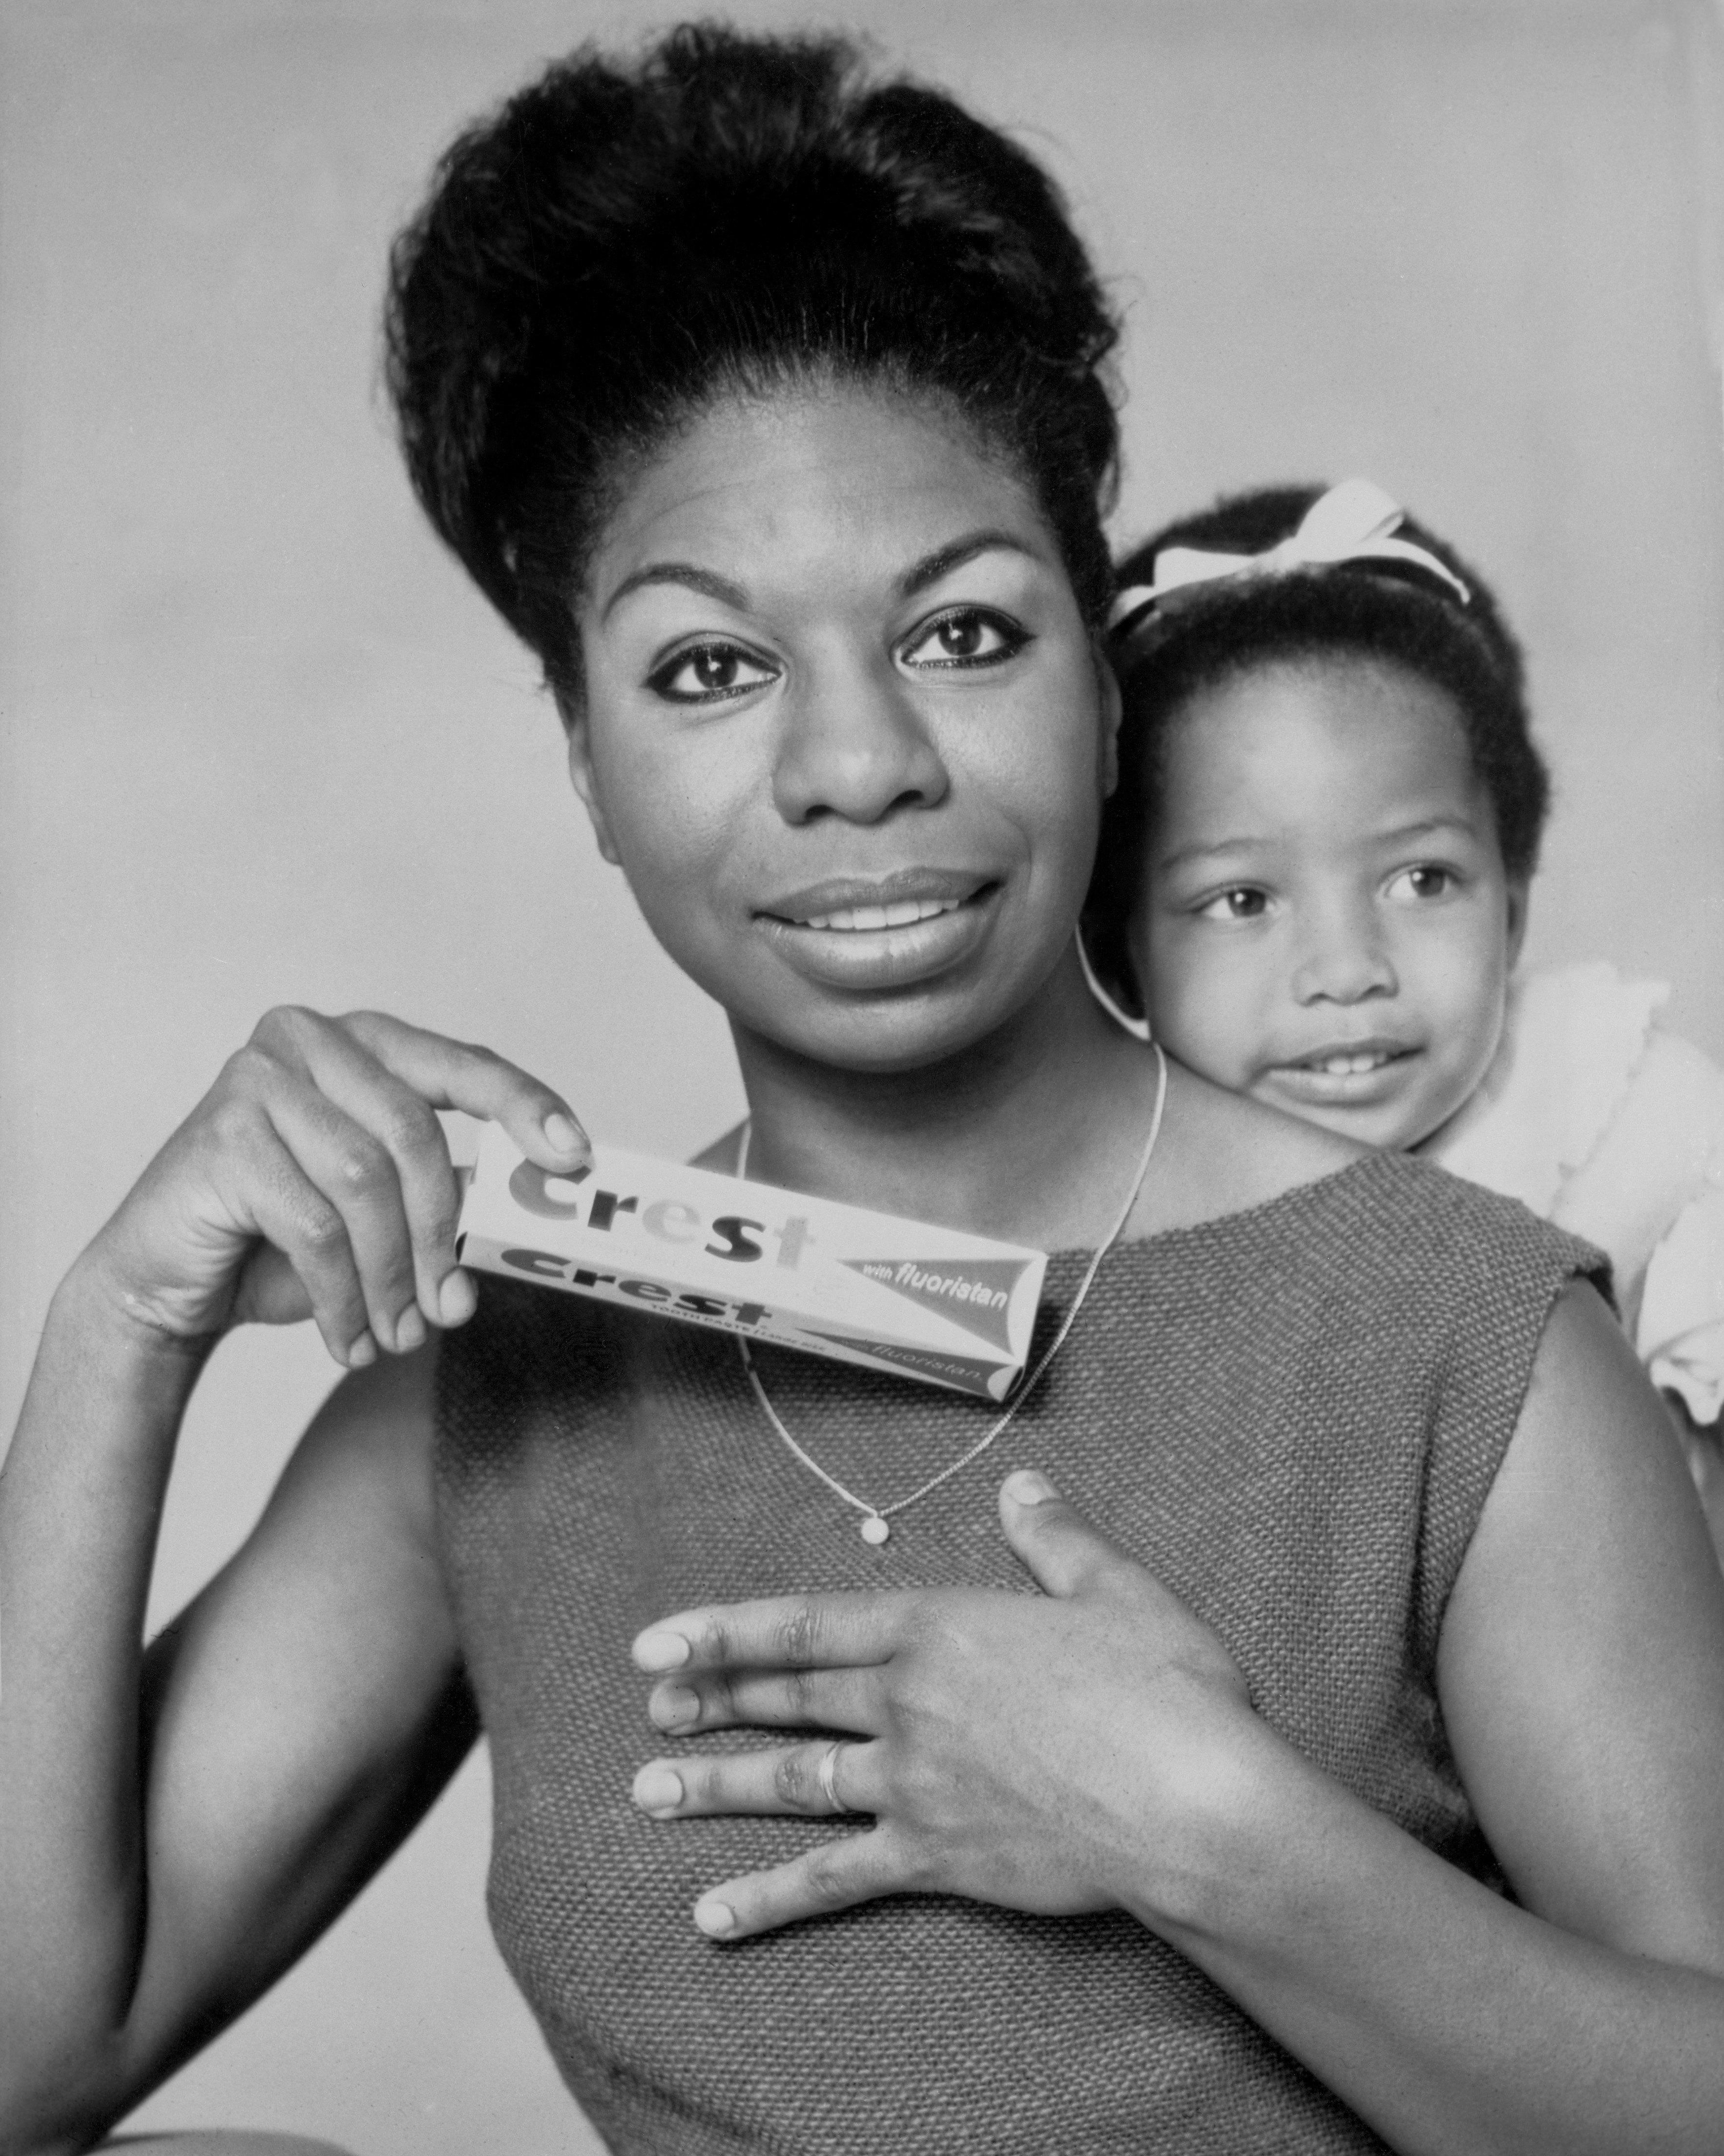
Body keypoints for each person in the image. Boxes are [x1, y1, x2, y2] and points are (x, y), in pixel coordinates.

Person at [2, 27, 1723, 2156]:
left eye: (963, 635)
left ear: (1104, 686)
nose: (855, 766)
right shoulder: (511, 1378)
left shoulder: (1466, 1344)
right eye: (709, 669)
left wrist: (1207, 1833)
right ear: (588, 767)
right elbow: (28, 2055)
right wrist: (119, 1333)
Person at [1083, 477, 1724, 1560]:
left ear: (1512, 909)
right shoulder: (1109, 1200)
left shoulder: (1639, 1123)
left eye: (1421, 881)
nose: (1344, 973)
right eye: (1242, 902)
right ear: (1121, 958)